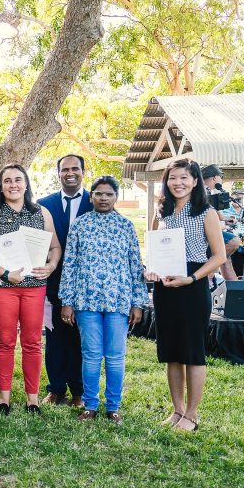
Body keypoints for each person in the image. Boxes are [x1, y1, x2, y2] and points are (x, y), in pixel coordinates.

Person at [59, 176, 148, 425]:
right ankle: (90, 405)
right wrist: (67, 300)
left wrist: (137, 303)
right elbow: (70, 265)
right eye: (98, 194)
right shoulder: (80, 225)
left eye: (109, 194)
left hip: (118, 301)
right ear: (91, 196)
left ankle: (113, 407)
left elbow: (134, 266)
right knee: (91, 355)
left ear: (116, 197)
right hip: (86, 300)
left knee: (116, 355)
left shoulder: (126, 227)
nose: (103, 198)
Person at [146, 159, 226, 432]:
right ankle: (177, 410)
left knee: (192, 351)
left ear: (195, 181)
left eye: (183, 178)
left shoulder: (207, 213)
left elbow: (219, 256)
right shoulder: (162, 212)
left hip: (193, 283)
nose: (177, 183)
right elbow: (154, 249)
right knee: (171, 351)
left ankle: (192, 414)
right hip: (165, 286)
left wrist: (191, 278)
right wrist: (152, 271)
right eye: (172, 178)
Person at [0, 164, 61, 414]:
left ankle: (32, 399)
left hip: (35, 286)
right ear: (1, 187)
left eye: (18, 180)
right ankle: (4, 398)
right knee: (5, 341)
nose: (13, 185)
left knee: (33, 341)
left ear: (26, 184)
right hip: (4, 287)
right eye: (7, 181)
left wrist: (52, 265)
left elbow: (55, 247)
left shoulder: (41, 213)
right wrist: (4, 273)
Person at [37, 154, 93, 408]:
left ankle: (79, 391)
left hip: (88, 283)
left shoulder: (97, 201)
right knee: (55, 336)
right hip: (53, 280)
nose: (70, 173)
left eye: (75, 169)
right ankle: (56, 388)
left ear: (83, 171)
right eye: (64, 169)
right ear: (58, 173)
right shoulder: (43, 204)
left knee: (82, 339)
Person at [201, 164, 243, 281]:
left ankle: (233, 290)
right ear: (215, 178)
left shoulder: (209, 192)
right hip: (200, 232)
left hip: (209, 228)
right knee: (233, 241)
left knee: (226, 258)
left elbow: (215, 212)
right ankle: (209, 274)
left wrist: (225, 219)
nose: (221, 180)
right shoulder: (201, 191)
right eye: (220, 177)